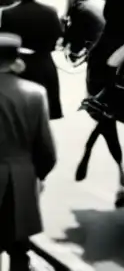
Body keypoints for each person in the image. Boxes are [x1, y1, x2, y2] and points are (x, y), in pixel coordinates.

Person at [0, 33, 56, 271]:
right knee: (18, 249)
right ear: (15, 61)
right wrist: (40, 175)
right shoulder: (35, 93)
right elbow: (46, 149)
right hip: (20, 180)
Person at [0, 0, 63, 119]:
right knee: (44, 111)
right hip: (44, 63)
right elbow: (57, 37)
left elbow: (6, 40)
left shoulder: (8, 13)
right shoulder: (50, 11)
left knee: (18, 113)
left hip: (19, 65)